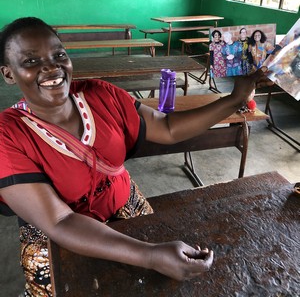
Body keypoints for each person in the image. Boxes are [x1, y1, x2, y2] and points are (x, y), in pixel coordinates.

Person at [0, 18, 272, 297]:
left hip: (125, 205)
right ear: (9, 74)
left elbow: (166, 127)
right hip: (57, 236)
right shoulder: (7, 135)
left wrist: (233, 99)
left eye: (59, 55)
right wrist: (151, 255)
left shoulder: (100, 94)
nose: (51, 67)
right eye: (31, 61)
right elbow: (60, 222)